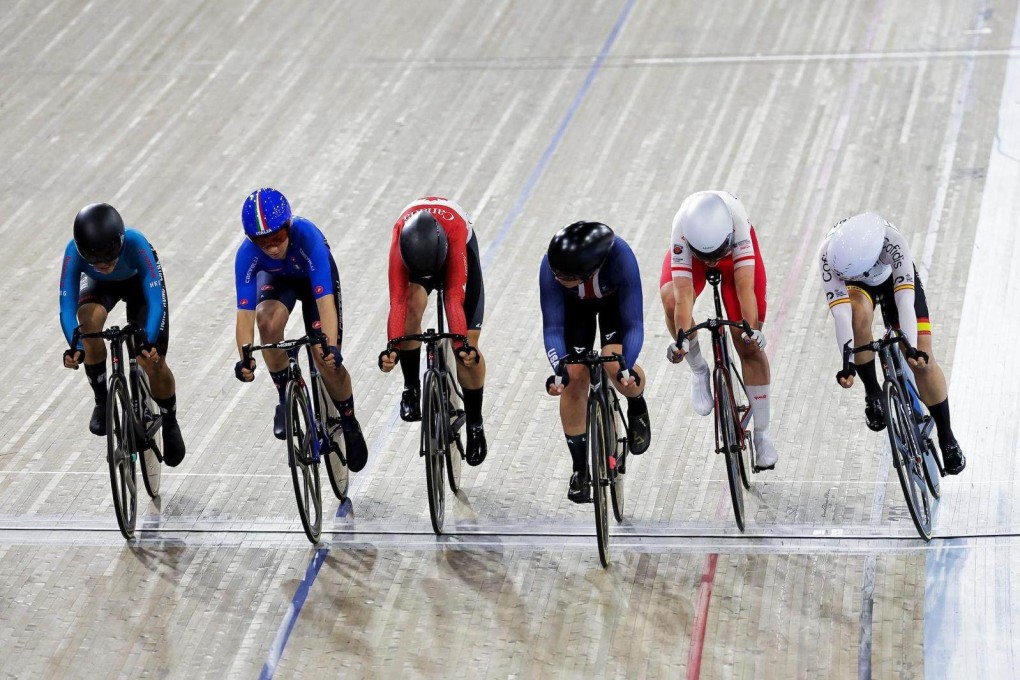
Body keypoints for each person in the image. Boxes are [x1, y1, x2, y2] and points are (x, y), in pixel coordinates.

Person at [232, 187, 368, 472]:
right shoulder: (246, 256)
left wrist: (331, 347)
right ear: (250, 239)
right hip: (280, 281)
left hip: (315, 281)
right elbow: (244, 314)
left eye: (278, 237)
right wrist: (245, 356)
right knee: (266, 322)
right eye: (262, 241)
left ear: (288, 225)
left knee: (325, 358)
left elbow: (326, 303)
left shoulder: (309, 239)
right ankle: (285, 396)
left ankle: (348, 419)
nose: (272, 247)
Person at [818, 212, 965, 474]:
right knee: (856, 315)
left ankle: (947, 436)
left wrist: (912, 349)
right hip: (854, 285)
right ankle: (873, 392)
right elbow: (841, 315)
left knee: (924, 363)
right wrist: (847, 363)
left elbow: (905, 301)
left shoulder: (893, 242)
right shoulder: (828, 256)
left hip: (890, 279)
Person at [659, 190, 779, 470]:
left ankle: (762, 436)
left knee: (748, 343)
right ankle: (699, 369)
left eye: (715, 254)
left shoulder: (737, 224)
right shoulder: (681, 231)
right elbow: (684, 295)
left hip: (734, 257)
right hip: (692, 261)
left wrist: (750, 329)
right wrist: (681, 342)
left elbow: (744, 287)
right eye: (707, 256)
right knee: (672, 300)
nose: (712, 260)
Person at [59, 203, 186, 466]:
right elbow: (67, 306)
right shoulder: (73, 253)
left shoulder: (136, 243)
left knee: (151, 360)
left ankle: (170, 420)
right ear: (83, 251)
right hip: (101, 288)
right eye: (96, 258)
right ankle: (101, 401)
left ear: (120, 241)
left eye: (110, 255)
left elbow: (156, 301)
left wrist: (148, 341)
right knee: (87, 321)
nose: (104, 264)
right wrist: (76, 345)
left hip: (139, 285)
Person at [540, 221, 651, 503]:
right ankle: (579, 470)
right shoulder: (550, 267)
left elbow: (635, 323)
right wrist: (558, 370)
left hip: (614, 306)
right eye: (556, 274)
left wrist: (627, 364)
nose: (557, 278)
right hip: (576, 311)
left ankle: (636, 404)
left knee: (613, 364)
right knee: (575, 378)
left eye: (564, 277)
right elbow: (552, 328)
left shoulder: (621, 258)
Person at [378, 198, 488, 466]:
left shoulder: (456, 235)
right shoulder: (399, 236)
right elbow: (398, 303)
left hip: (453, 250)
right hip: (417, 256)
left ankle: (475, 422)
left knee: (466, 350)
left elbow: (453, 298)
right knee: (411, 308)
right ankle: (411, 388)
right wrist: (392, 346)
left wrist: (461, 344)